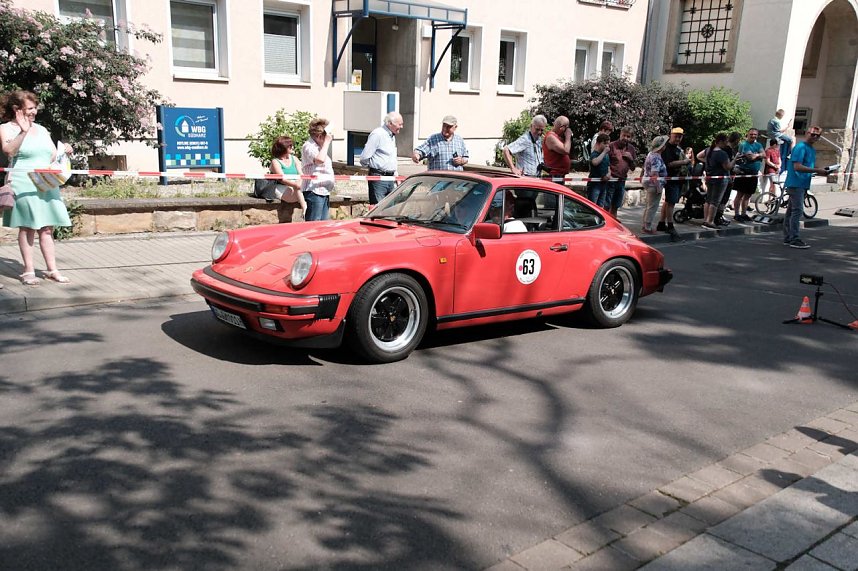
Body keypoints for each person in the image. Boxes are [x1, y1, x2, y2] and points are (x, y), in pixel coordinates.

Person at [1, 90, 73, 286]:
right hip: (23, 181)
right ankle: (28, 270)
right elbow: (8, 150)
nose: (34, 111)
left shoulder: (42, 129)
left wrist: (64, 151)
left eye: (35, 108)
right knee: (27, 227)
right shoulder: (6, 128)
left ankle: (52, 270)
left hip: (45, 181)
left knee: (47, 228)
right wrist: (23, 132)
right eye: (30, 108)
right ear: (17, 109)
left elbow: (50, 155)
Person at [783, 126, 827, 249]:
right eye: (812, 134)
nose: (814, 137)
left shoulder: (811, 149)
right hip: (796, 183)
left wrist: (820, 172)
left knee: (791, 212)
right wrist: (817, 170)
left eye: (817, 135)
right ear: (807, 133)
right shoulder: (801, 147)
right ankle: (794, 238)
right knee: (797, 211)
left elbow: (807, 167)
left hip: (801, 183)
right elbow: (797, 166)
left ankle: (788, 238)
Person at [360, 111, 403, 204]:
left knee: (389, 209)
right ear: (390, 123)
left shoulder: (392, 136)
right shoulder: (378, 134)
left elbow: (391, 158)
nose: (401, 127)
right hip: (378, 178)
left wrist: (396, 176)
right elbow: (365, 157)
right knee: (377, 208)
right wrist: (374, 168)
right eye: (400, 124)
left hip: (390, 178)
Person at [657, 127, 690, 241]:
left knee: (668, 202)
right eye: (676, 136)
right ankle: (670, 226)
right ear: (670, 135)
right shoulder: (667, 148)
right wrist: (684, 162)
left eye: (680, 136)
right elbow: (669, 164)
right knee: (671, 202)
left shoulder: (678, 149)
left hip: (676, 179)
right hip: (670, 179)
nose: (678, 138)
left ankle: (661, 223)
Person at [301, 117, 334, 221]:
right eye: (326, 136)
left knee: (322, 226)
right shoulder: (309, 146)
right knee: (313, 225)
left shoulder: (320, 148)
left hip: (324, 190)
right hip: (314, 191)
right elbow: (319, 160)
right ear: (319, 136)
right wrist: (327, 143)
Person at [701, 133, 734, 229]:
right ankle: (710, 221)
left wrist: (708, 163)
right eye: (726, 141)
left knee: (708, 200)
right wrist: (735, 160)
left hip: (710, 177)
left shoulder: (708, 150)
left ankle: (705, 220)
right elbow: (727, 167)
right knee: (715, 201)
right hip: (720, 179)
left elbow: (699, 155)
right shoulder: (721, 153)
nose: (727, 144)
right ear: (720, 142)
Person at [269, 135, 306, 221]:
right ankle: (304, 207)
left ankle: (305, 207)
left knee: (299, 186)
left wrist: (298, 183)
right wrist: (295, 184)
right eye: (290, 145)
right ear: (284, 147)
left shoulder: (295, 159)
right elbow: (282, 179)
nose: (292, 147)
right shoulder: (276, 162)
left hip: (297, 186)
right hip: (282, 187)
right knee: (297, 187)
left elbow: (301, 174)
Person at [731, 128, 765, 222]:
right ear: (748, 134)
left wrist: (757, 155)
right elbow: (750, 157)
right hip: (743, 173)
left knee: (748, 195)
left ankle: (744, 214)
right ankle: (737, 214)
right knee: (740, 194)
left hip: (753, 174)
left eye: (755, 134)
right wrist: (759, 155)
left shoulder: (758, 144)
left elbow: (764, 154)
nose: (753, 136)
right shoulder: (744, 144)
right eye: (751, 134)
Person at [605, 126, 636, 217]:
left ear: (631, 138)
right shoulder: (612, 146)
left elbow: (633, 168)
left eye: (628, 136)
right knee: (606, 206)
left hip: (622, 181)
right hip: (610, 181)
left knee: (616, 206)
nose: (625, 138)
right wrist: (608, 173)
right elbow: (605, 162)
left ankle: (613, 226)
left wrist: (631, 159)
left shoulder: (631, 149)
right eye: (624, 135)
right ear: (620, 134)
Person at [640, 135, 668, 235]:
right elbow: (654, 174)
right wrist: (659, 187)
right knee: (653, 206)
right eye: (664, 144)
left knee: (648, 205)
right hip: (653, 185)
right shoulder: (656, 157)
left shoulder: (651, 154)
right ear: (661, 146)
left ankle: (644, 225)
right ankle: (647, 227)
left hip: (648, 183)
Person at [586, 133, 610, 207]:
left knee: (600, 206)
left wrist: (608, 176)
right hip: (594, 185)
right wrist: (604, 152)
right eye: (604, 143)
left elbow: (609, 167)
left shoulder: (606, 155)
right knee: (592, 206)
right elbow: (595, 162)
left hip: (603, 185)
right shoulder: (595, 154)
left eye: (608, 144)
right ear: (598, 143)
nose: (606, 146)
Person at [768, 109, 793, 173]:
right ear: (781, 115)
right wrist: (788, 126)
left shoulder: (771, 120)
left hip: (771, 135)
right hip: (777, 135)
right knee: (791, 140)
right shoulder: (776, 121)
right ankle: (791, 152)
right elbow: (780, 131)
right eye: (782, 116)